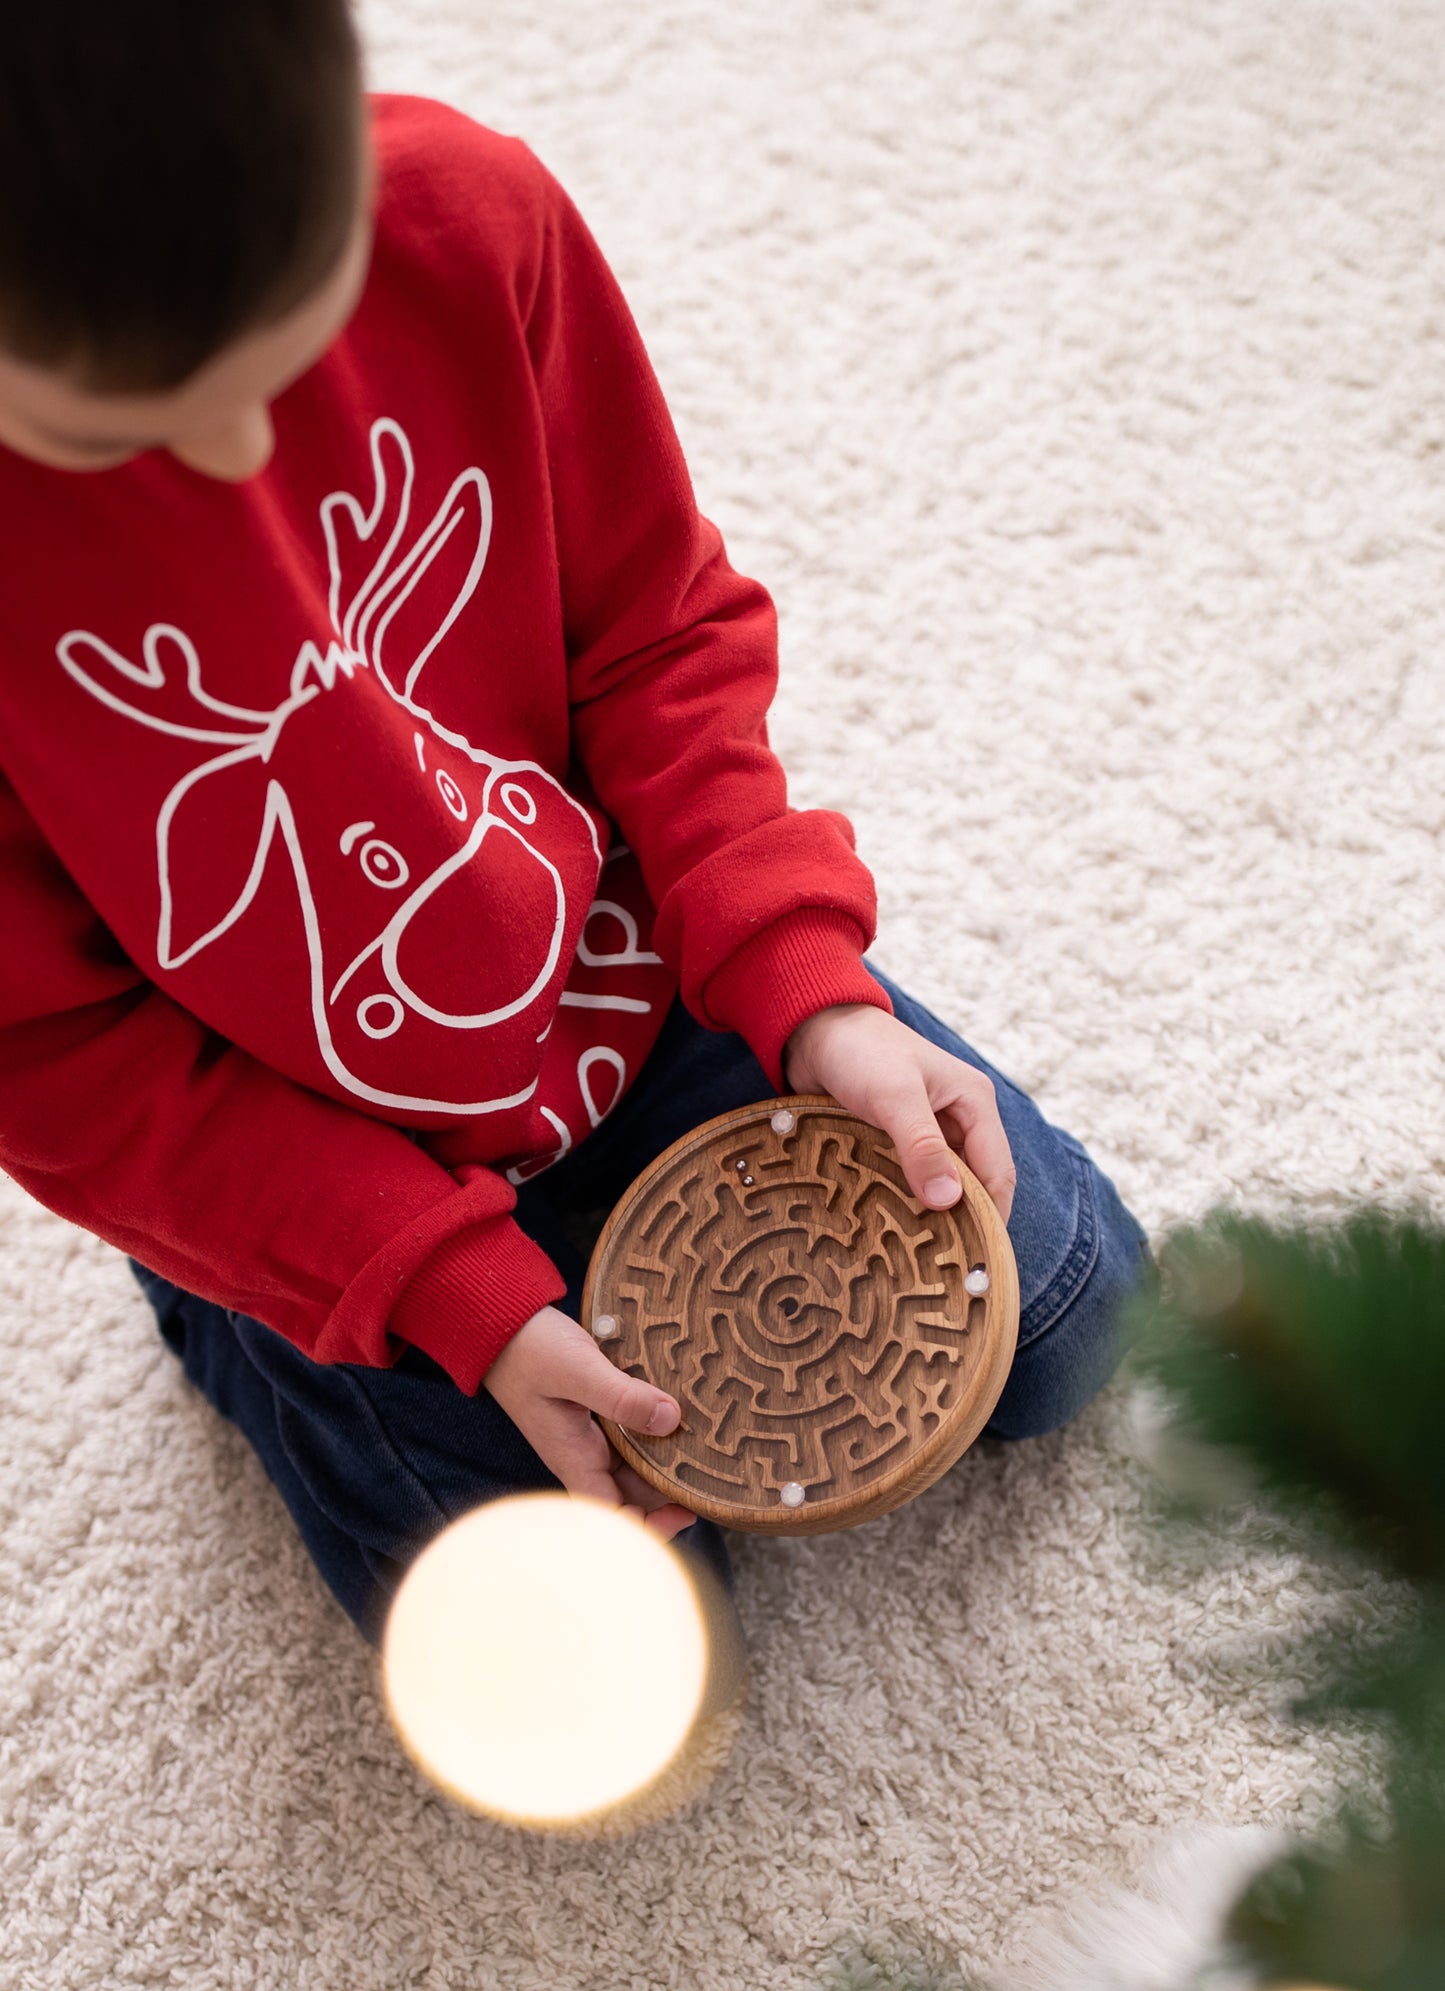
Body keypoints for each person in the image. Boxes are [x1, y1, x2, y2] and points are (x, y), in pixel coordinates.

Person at [0, 0, 1149, 1658]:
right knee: (611, 1649)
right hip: (308, 1153)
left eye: (289, 336)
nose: (241, 453)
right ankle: (237, 1315)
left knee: (1063, 1327)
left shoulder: (466, 217)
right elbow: (63, 1067)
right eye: (119, 430)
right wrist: (434, 1288)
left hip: (630, 977)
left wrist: (800, 972)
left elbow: (653, 630)